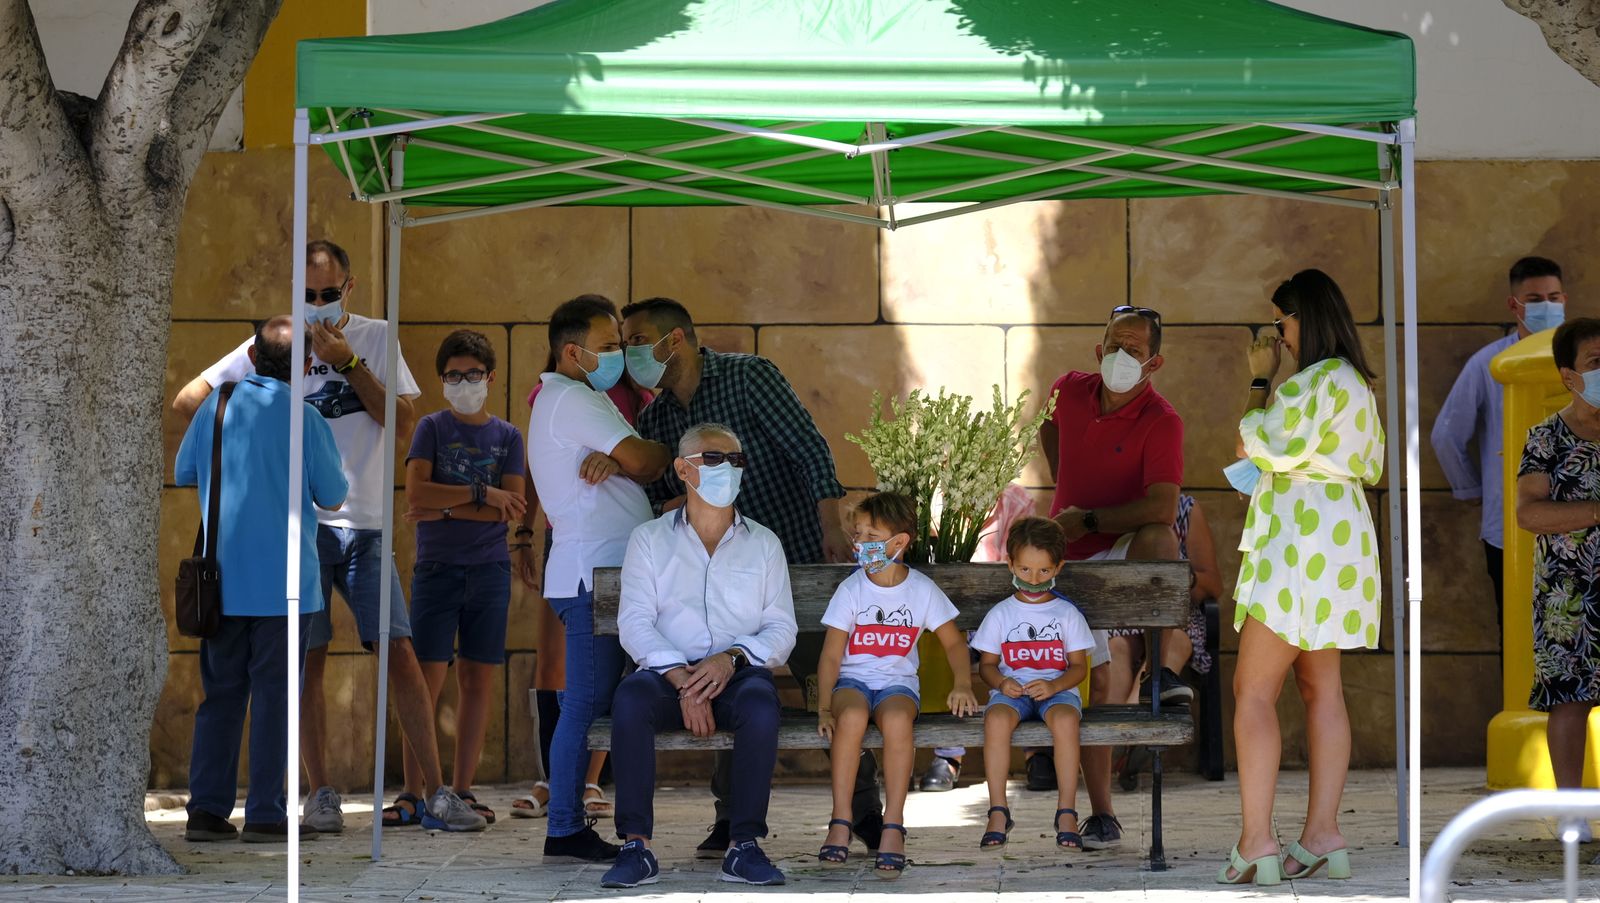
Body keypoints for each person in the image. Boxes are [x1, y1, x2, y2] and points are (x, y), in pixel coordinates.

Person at [172, 240, 481, 833]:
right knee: (301, 667)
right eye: (307, 294)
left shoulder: (373, 336)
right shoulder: (276, 338)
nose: (316, 305)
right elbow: (191, 400)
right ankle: (317, 795)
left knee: (398, 651)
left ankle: (439, 791)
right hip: (299, 532)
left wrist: (347, 364)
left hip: (362, 524)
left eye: (328, 294)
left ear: (351, 287)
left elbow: (405, 421)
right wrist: (246, 448)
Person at [619, 297, 871, 856]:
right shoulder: (657, 417)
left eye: (635, 339)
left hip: (796, 554)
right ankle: (730, 818)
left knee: (823, 687)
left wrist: (831, 526)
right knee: (731, 684)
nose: (628, 352)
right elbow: (653, 493)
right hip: (717, 569)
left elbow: (810, 448)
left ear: (675, 339)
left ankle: (865, 810)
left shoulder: (748, 377)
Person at [1220, 269, 1383, 885]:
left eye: (1281, 322)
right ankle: (1322, 836)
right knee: (1324, 690)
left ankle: (1257, 841)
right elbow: (1368, 463)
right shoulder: (1358, 387)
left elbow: (1248, 443)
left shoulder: (1305, 386)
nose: (1279, 335)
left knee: (1254, 691)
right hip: (1341, 546)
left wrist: (1260, 380)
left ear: (1302, 319)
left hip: (1297, 546)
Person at [601, 424, 798, 889]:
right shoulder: (649, 540)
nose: (728, 469)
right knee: (629, 702)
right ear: (682, 470)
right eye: (714, 459)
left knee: (760, 707)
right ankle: (636, 847)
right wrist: (680, 677)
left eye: (736, 460)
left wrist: (729, 659)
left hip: (737, 672)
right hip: (666, 674)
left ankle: (743, 845)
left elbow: (781, 629)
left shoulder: (764, 543)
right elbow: (635, 623)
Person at [177, 317, 346, 843]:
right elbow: (334, 495)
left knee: (221, 696)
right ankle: (268, 814)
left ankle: (206, 810)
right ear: (304, 366)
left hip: (221, 582)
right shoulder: (307, 418)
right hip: (286, 584)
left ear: (251, 356)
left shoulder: (216, 406)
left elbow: (186, 472)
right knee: (276, 698)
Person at [528, 295, 672, 861]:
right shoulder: (570, 400)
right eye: (609, 346)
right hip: (592, 576)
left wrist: (623, 459)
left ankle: (568, 822)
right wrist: (632, 457)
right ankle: (563, 827)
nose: (619, 355)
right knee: (584, 704)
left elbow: (633, 459)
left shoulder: (581, 398)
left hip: (606, 574)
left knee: (590, 701)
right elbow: (650, 460)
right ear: (573, 351)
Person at [1037, 305, 1184, 850]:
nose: (1122, 357)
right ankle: (1099, 813)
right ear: (1099, 350)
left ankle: (1159, 666)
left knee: (1162, 541)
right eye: (1114, 345)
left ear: (1155, 362)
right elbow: (1047, 429)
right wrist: (1066, 492)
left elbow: (1164, 508)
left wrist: (1090, 518)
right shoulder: (1070, 390)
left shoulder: (1162, 420)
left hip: (1119, 551)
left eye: (1135, 350)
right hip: (1067, 562)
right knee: (1091, 683)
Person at [815, 492, 979, 879]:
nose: (861, 543)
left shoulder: (920, 590)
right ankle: (841, 819)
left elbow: (955, 642)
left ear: (900, 542)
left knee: (897, 723)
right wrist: (824, 706)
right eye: (859, 534)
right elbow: (831, 657)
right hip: (852, 682)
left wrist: (962, 683)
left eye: (871, 535)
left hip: (897, 686)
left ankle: (894, 824)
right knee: (851, 717)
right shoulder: (852, 589)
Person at [401, 330, 528, 826]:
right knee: (424, 684)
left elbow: (512, 510)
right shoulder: (431, 427)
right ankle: (415, 792)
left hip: (490, 572)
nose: (463, 383)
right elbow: (415, 496)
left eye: (472, 375)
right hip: (436, 571)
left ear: (490, 378)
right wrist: (484, 494)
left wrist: (449, 507)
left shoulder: (508, 436)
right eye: (453, 375)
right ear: (441, 380)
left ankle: (462, 788)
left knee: (478, 681)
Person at [1433, 256, 1569, 641]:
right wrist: (1471, 489)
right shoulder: (1491, 364)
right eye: (1536, 298)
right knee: (1523, 637)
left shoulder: (1585, 357)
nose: (1547, 306)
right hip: (1512, 526)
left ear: (1566, 299)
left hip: (1565, 522)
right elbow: (1446, 435)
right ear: (1514, 304)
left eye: (1554, 297)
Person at [1515, 317, 1600, 819]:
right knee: (1570, 700)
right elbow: (1529, 513)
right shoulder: (1546, 436)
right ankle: (1574, 813)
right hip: (1568, 594)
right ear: (1569, 376)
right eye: (1596, 363)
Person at [973, 517, 1094, 852]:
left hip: (1057, 693)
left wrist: (1055, 687)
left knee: (1067, 721)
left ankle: (1066, 811)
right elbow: (986, 666)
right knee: (995, 719)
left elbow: (1078, 668)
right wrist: (1001, 681)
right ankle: (998, 810)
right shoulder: (1001, 614)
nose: (1033, 579)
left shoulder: (1067, 614)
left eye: (1043, 571)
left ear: (1058, 567)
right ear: (1010, 563)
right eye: (1024, 570)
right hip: (1012, 693)